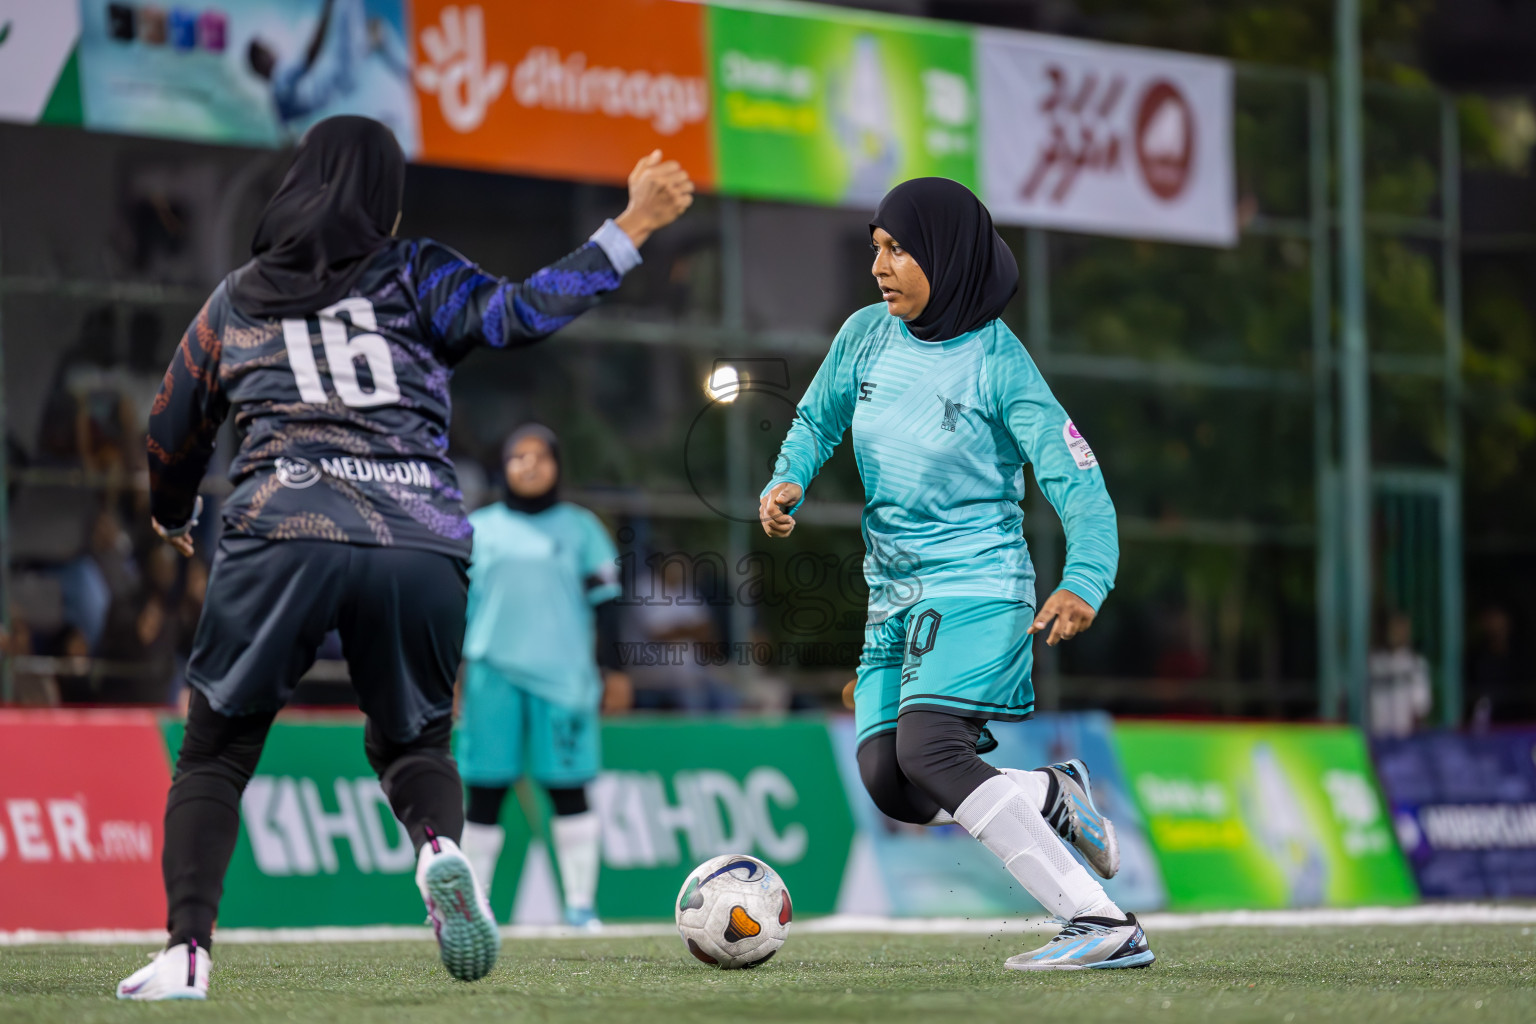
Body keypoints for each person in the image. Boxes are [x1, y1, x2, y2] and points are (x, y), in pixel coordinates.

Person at [119, 116, 692, 1000]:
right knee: (416, 740)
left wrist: (171, 513)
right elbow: (520, 312)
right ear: (384, 201)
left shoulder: (237, 298)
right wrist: (632, 227)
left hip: (283, 531)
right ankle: (438, 850)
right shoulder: (414, 271)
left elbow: (170, 425)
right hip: (416, 539)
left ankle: (187, 953)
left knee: (217, 754)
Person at [758, 177, 1152, 971]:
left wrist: (1086, 580)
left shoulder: (1002, 365)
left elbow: (1079, 481)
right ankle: (1050, 794)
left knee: (931, 751)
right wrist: (788, 474)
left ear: (947, 254)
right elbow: (817, 415)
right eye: (875, 248)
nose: (881, 267)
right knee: (891, 783)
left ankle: (1101, 922)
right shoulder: (866, 335)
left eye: (899, 250)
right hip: (891, 596)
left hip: (980, 586)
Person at [457, 424, 630, 930]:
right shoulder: (477, 529)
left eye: (540, 456)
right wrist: (450, 673)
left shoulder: (581, 528)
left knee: (568, 789)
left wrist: (613, 669)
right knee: (484, 791)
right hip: (491, 676)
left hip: (564, 681)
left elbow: (609, 607)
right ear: (503, 466)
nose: (529, 465)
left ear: (557, 465)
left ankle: (580, 908)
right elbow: (453, 608)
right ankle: (474, 910)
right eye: (518, 457)